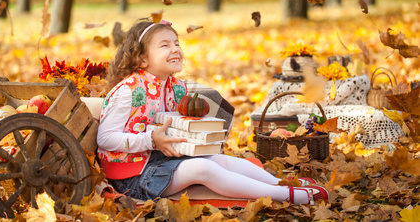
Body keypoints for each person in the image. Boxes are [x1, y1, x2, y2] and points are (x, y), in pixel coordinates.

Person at [96, 18, 329, 205]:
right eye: (164, 45)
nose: (175, 49)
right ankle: (285, 196)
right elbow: (105, 138)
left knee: (217, 159)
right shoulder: (128, 92)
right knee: (203, 167)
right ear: (142, 59)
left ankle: (281, 183)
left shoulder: (175, 87)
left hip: (160, 161)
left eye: (176, 43)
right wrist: (150, 139)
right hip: (132, 176)